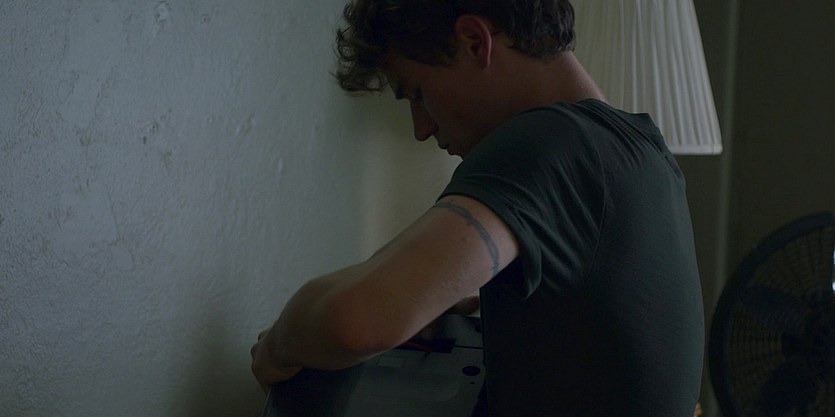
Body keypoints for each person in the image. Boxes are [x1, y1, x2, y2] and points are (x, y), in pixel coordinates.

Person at [250, 0, 706, 415]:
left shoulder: (547, 142)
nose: (422, 129)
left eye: (417, 93)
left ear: (474, 41)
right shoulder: (644, 151)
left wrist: (278, 345)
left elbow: (358, 322)